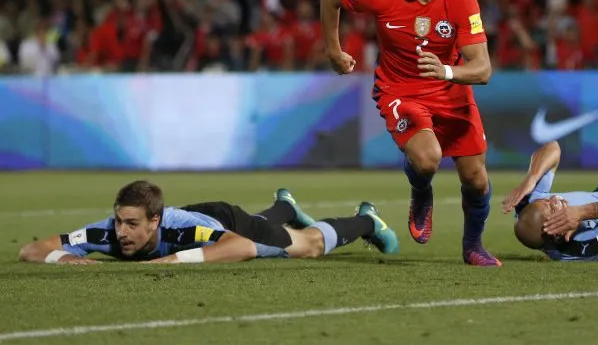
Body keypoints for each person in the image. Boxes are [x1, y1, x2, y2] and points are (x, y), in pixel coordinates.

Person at [319, 0, 501, 266]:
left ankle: (473, 246)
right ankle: (421, 191)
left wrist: (446, 71)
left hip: (450, 91)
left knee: (476, 179)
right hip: (399, 91)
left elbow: (483, 69)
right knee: (428, 157)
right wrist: (333, 50)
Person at [17, 181, 398, 264]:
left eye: (131, 224)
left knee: (306, 245)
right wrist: (65, 258)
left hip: (226, 221)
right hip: (207, 221)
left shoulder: (181, 228)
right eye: (119, 222)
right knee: (270, 223)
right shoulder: (107, 232)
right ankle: (284, 206)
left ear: (154, 221)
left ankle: (366, 221)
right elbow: (31, 250)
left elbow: (241, 246)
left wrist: (174, 260)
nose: (121, 232)